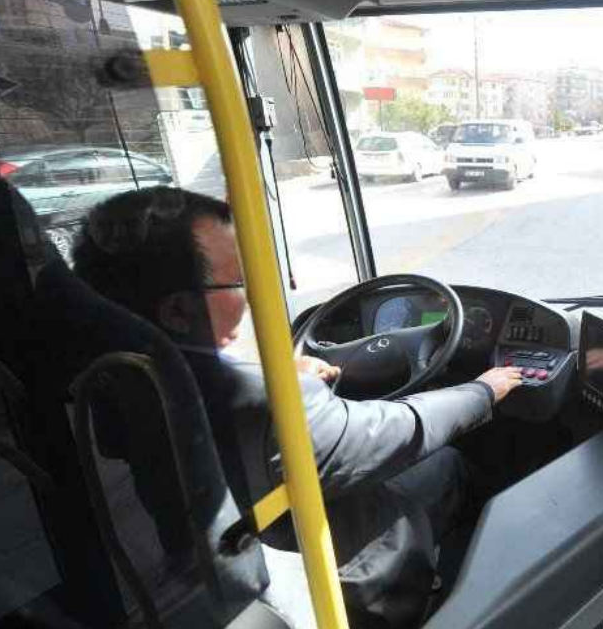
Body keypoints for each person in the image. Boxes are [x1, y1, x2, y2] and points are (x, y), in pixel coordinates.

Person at [72, 186, 522, 628]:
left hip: (219, 547)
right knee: (449, 462)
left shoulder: (119, 374)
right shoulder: (268, 403)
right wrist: (483, 391)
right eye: (238, 282)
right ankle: (436, 592)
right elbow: (397, 430)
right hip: (333, 577)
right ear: (175, 311)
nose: (249, 298)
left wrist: (284, 376)